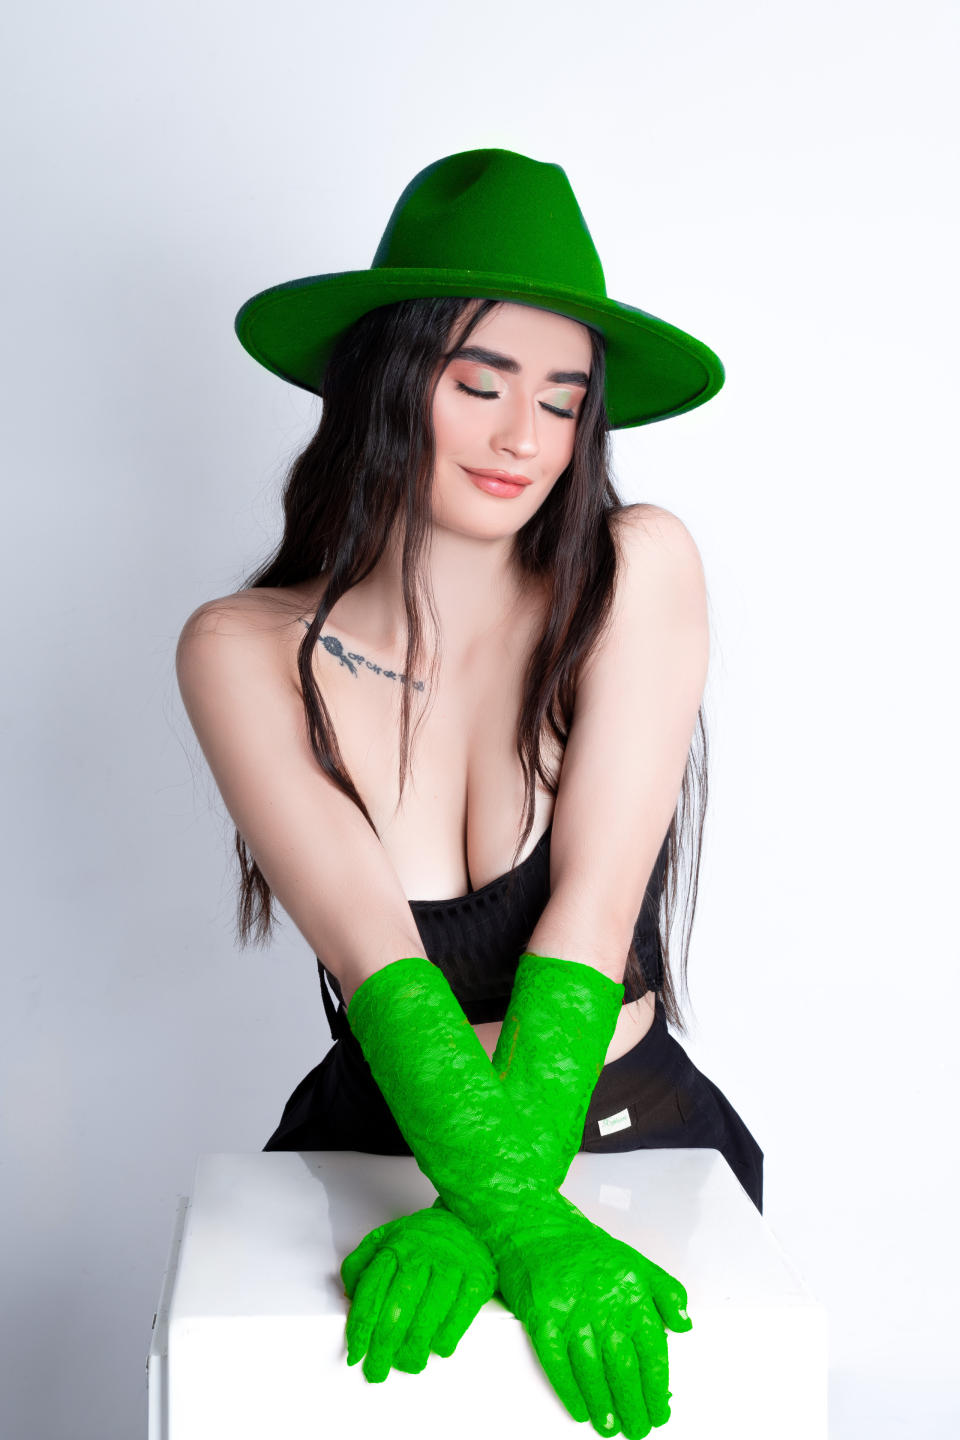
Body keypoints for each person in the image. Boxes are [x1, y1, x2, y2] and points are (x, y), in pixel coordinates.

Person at [175, 148, 763, 1437]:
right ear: (387, 383)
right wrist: (506, 1209)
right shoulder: (243, 646)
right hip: (375, 1144)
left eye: (563, 402)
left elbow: (592, 913)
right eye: (478, 383)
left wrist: (504, 1214)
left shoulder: (635, 570)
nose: (523, 439)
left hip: (629, 1130)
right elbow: (375, 956)